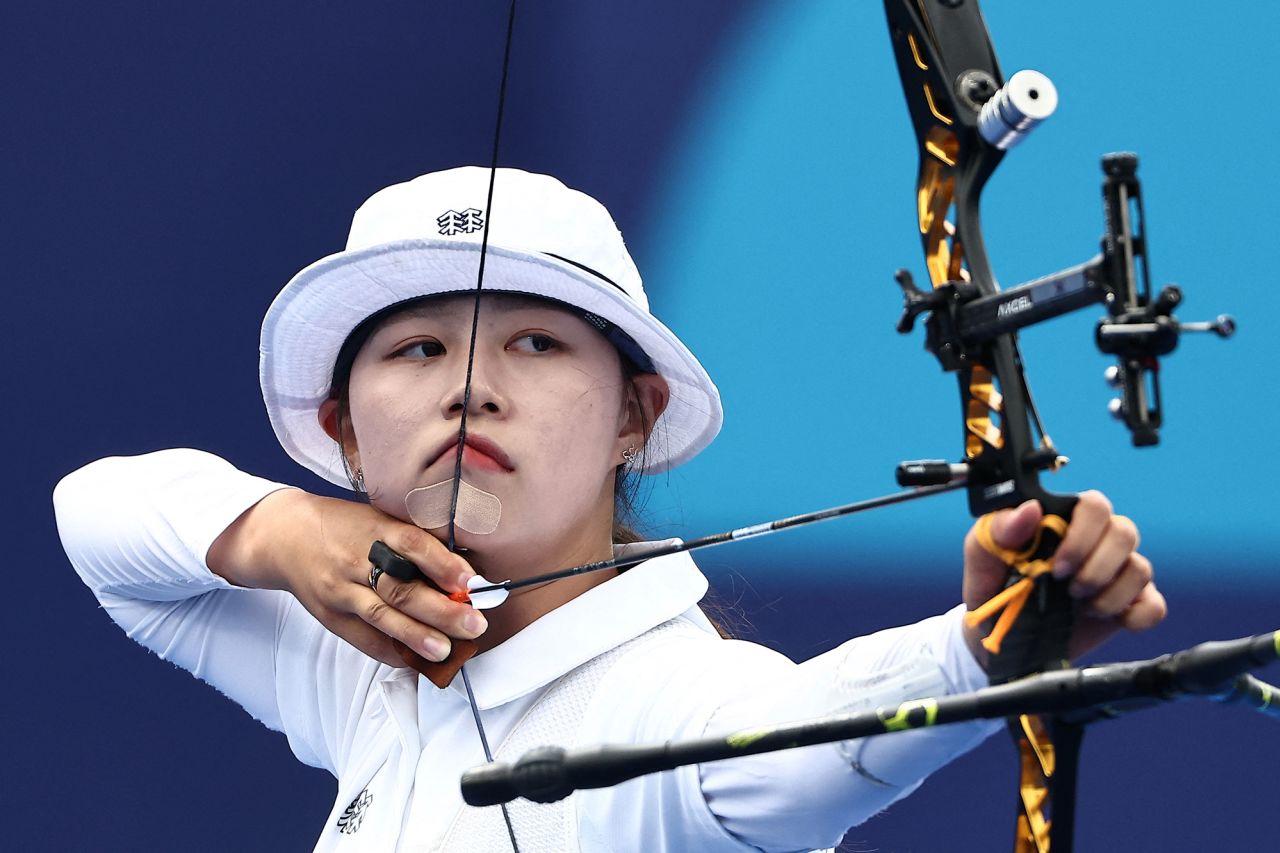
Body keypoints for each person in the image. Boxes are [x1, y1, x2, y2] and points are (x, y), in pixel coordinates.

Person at [53, 166, 1165, 852]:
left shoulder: (669, 696)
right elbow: (95, 521)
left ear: (634, 416)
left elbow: (783, 750)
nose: (469, 383)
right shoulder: (366, 650)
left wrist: (976, 655)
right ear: (344, 428)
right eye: (416, 347)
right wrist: (278, 530)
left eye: (535, 342)